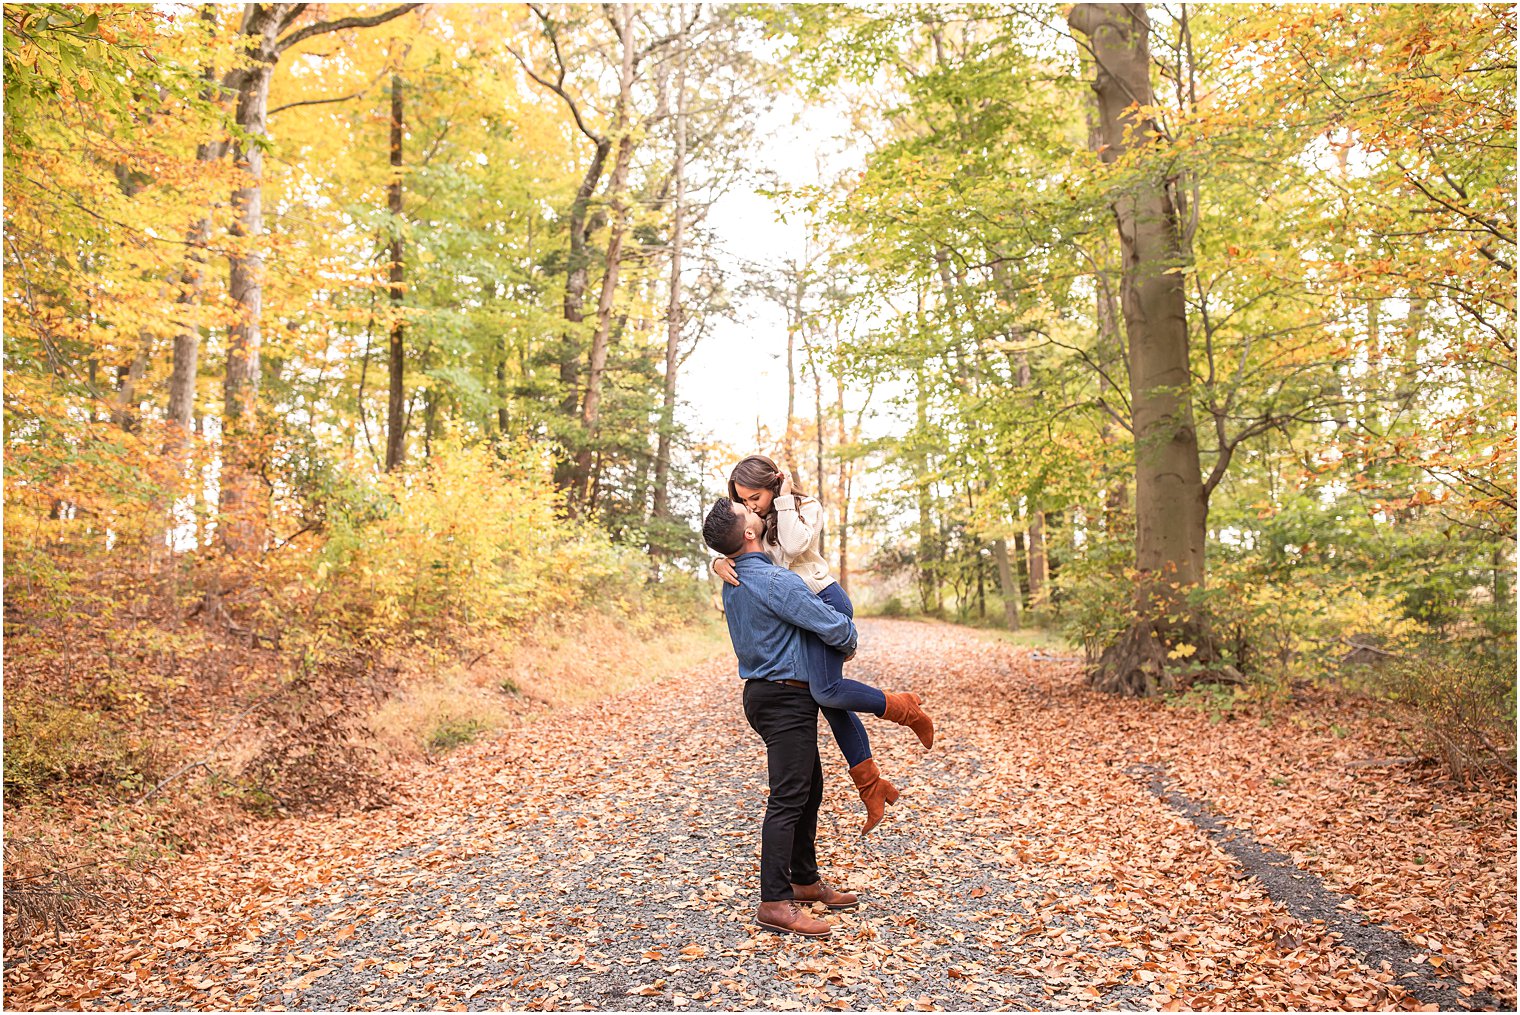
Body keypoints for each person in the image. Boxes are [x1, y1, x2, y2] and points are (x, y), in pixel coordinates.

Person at [713, 455, 933, 834]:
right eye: (743, 500)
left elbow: (795, 546)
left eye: (755, 497)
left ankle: (904, 709)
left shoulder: (804, 507)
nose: (750, 506)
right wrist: (716, 561)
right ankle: (871, 787)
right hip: (798, 611)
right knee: (829, 701)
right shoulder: (755, 522)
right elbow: (727, 537)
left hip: (824, 602)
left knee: (828, 691)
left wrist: (782, 499)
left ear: (775, 484)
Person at [702, 496, 864, 938]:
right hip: (784, 697)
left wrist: (717, 560)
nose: (752, 510)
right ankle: (774, 901)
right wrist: (850, 637)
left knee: (809, 788)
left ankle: (803, 880)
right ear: (750, 534)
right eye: (747, 513)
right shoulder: (774, 582)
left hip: (764, 694)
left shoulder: (731, 578)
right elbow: (829, 624)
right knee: (789, 797)